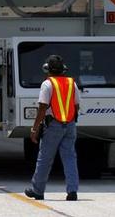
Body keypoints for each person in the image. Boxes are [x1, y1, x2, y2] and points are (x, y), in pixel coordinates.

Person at [26, 54, 81, 202]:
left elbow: (42, 108)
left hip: (53, 125)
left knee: (45, 158)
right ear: (63, 69)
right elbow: (76, 105)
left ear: (47, 69)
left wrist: (34, 129)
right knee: (70, 158)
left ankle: (38, 191)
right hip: (70, 125)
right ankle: (72, 191)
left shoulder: (47, 84)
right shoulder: (72, 83)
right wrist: (69, 119)